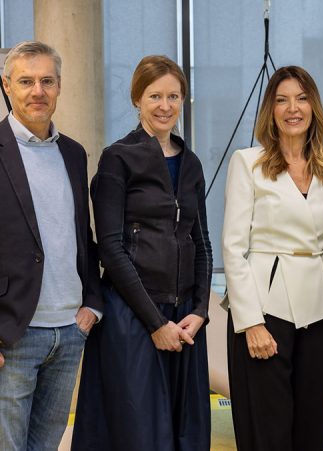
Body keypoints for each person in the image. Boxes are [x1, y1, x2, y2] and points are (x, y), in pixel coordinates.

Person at [0, 40, 102, 450]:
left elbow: (83, 237)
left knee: (46, 446)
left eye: (47, 80)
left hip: (68, 332)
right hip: (9, 335)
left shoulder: (74, 153)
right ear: (7, 86)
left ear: (60, 86)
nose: (38, 91)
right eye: (26, 81)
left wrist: (92, 304)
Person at [71, 55, 212, 451]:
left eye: (173, 96)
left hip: (183, 318)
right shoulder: (118, 158)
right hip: (133, 318)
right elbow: (112, 250)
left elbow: (201, 242)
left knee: (186, 431)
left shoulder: (192, 162)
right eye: (155, 96)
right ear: (137, 99)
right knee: (138, 433)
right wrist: (154, 323)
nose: (164, 105)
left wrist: (199, 311)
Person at [222, 65, 323, 451]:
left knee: (312, 425)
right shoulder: (248, 163)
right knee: (267, 428)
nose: (293, 108)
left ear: (314, 108)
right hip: (265, 309)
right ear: (270, 110)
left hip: (319, 310)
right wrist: (250, 323)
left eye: (302, 99)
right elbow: (233, 249)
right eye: (282, 100)